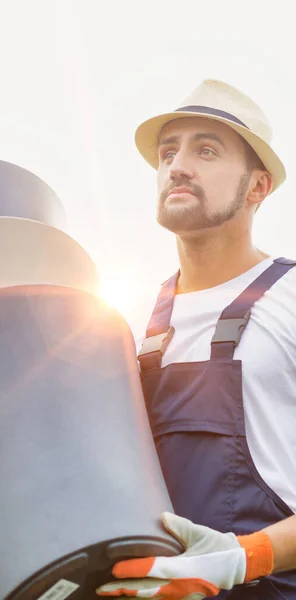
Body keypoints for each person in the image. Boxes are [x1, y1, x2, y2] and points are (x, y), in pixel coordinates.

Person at [96, 79, 296, 599]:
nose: (177, 166)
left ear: (257, 187)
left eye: (206, 150)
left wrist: (243, 557)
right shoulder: (124, 322)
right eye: (168, 152)